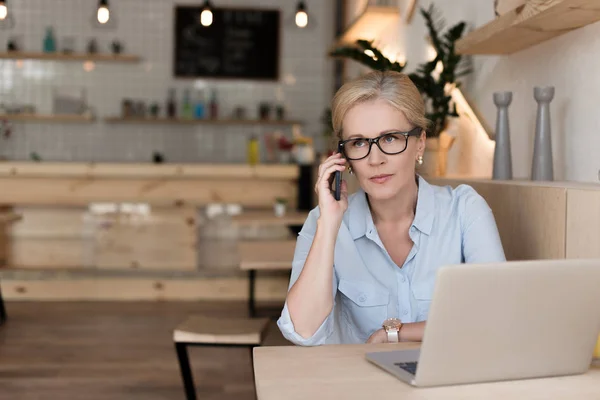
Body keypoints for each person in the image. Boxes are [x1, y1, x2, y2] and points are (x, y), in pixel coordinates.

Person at [277, 70, 505, 346]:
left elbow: (496, 314)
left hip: (447, 384)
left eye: (390, 138)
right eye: (358, 143)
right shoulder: (325, 221)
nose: (375, 159)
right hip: (358, 386)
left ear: (419, 143)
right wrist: (329, 225)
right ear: (344, 157)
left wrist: (396, 333)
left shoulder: (465, 212)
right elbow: (302, 331)